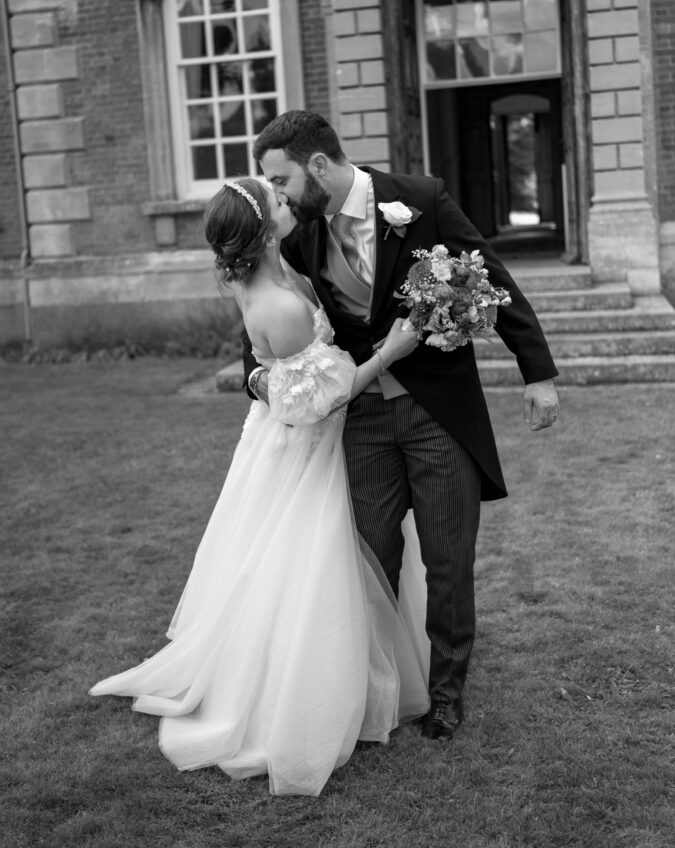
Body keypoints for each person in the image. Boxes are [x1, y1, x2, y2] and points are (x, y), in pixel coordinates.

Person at [90, 176, 430, 797]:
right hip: (302, 449)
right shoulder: (281, 304)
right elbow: (319, 402)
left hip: (276, 435)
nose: (286, 198)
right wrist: (392, 351)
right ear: (262, 227)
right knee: (304, 566)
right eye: (274, 199)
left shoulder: (272, 274)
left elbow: (281, 378)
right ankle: (303, 691)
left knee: (280, 562)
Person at [244, 110, 560, 740]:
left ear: (317, 166)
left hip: (437, 412)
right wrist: (260, 382)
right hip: (359, 420)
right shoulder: (302, 234)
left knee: (447, 560)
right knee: (366, 558)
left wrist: (537, 372)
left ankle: (445, 692)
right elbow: (260, 325)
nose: (274, 196)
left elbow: (490, 275)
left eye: (280, 181)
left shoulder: (419, 200)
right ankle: (372, 686)